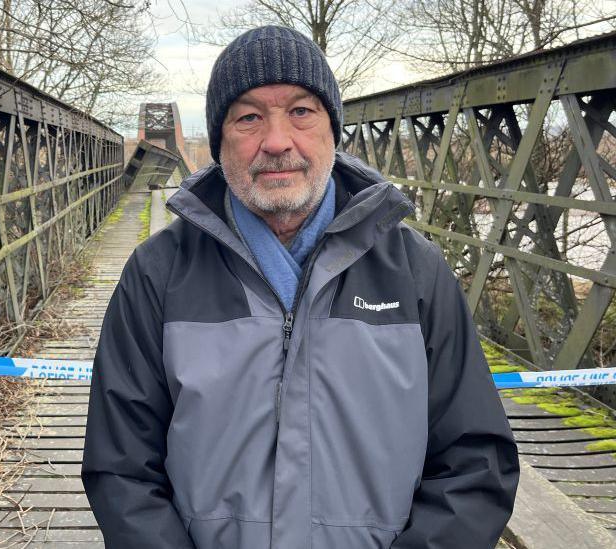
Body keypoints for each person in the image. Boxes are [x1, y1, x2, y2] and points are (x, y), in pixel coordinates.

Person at [82, 25, 519, 548]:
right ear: (218, 142)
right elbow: (121, 470)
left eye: (302, 112)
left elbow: (476, 464)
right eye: (247, 117)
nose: (276, 141)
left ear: (333, 130)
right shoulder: (157, 274)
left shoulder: (415, 271)